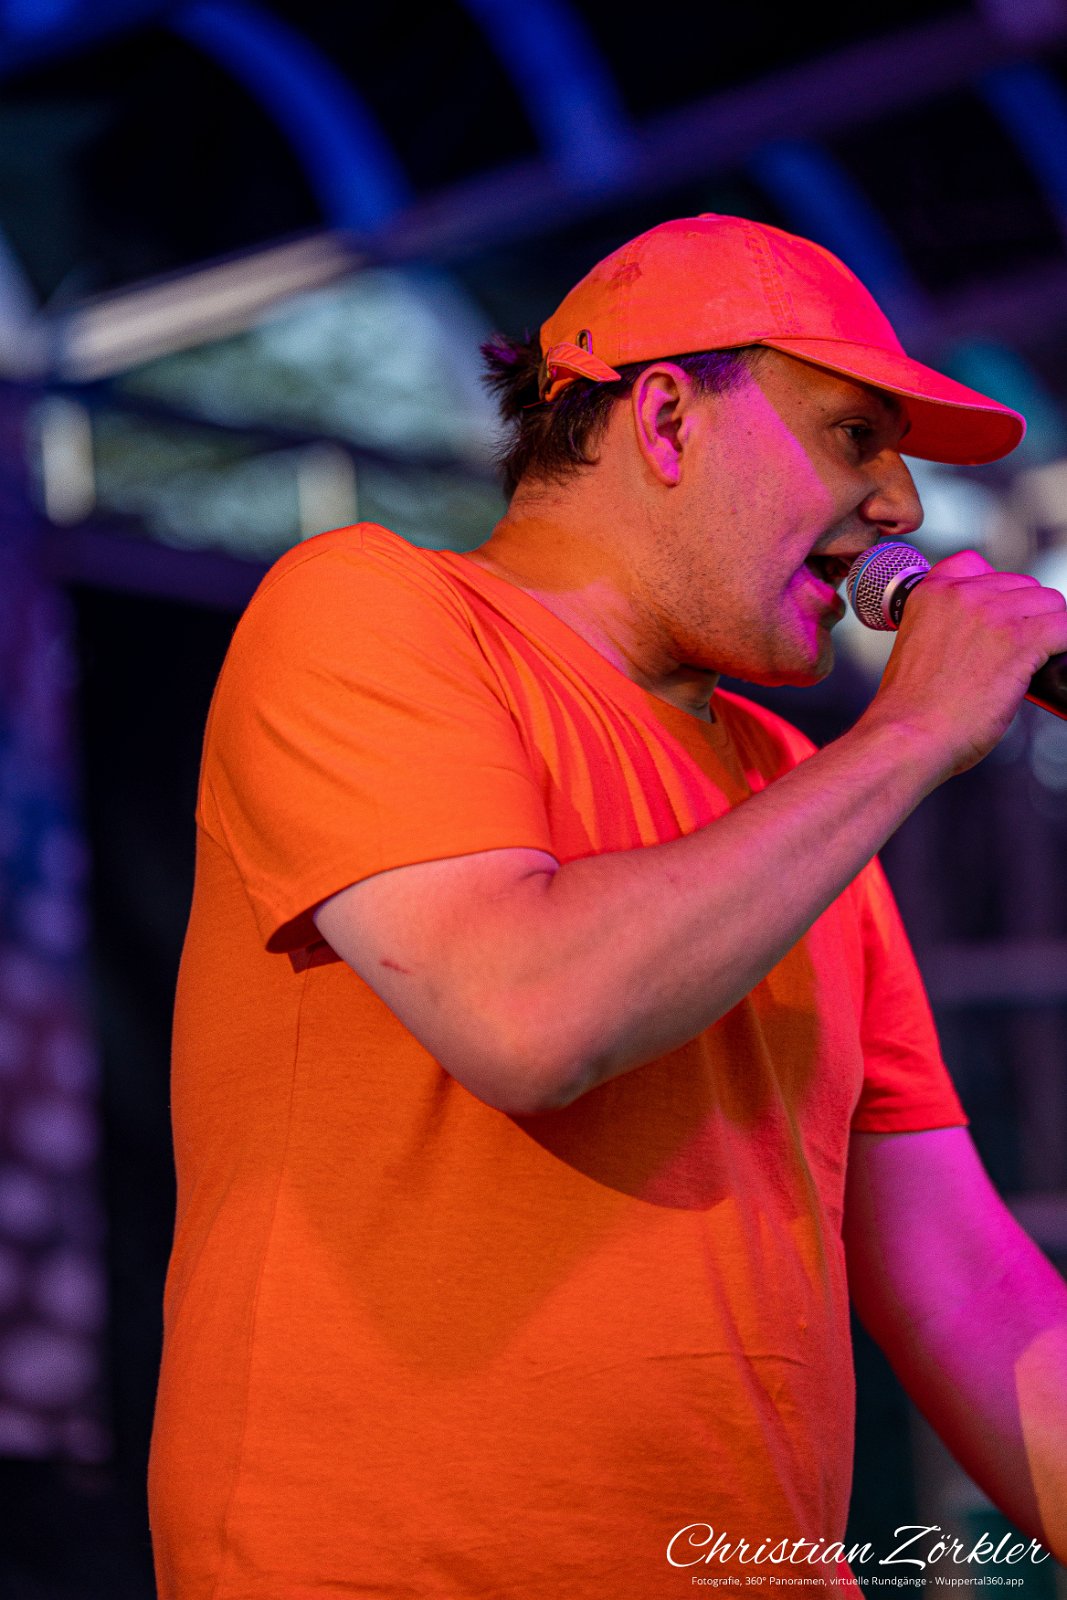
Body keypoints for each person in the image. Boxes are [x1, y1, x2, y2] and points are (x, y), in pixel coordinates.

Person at [148, 213, 1067, 1598]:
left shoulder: (800, 790)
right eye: (855, 439)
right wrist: (914, 733)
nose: (902, 510)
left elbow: (962, 1280)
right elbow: (526, 1013)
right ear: (668, 417)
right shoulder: (369, 611)